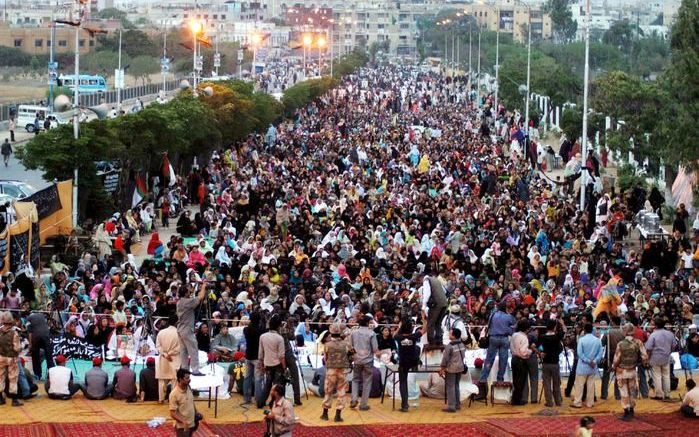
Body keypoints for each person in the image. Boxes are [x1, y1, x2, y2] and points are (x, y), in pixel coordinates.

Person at [477, 301, 516, 401]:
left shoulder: (493, 315)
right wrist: (509, 331)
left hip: (493, 338)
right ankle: (500, 379)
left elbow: (489, 325)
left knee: (489, 360)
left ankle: (483, 379)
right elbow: (515, 326)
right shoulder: (508, 317)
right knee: (503, 360)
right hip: (504, 338)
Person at [612, 322, 648, 421]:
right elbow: (645, 356)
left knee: (623, 392)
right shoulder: (638, 342)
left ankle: (626, 412)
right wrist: (642, 363)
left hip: (621, 371)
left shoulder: (621, 344)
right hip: (632, 370)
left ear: (625, 332)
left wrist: (613, 366)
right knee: (632, 391)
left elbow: (616, 359)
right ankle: (632, 409)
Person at [320, 323, 350, 422]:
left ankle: (325, 414)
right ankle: (338, 415)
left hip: (331, 370)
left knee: (328, 391)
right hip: (343, 369)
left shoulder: (327, 345)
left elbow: (325, 358)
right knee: (341, 391)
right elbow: (353, 354)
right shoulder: (346, 344)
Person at [394, 317, 425, 412]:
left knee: (403, 383)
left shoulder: (399, 338)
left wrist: (399, 327)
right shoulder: (414, 336)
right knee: (416, 349)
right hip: (412, 361)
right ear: (411, 328)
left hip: (403, 363)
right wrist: (424, 320)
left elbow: (394, 334)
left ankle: (404, 405)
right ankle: (416, 365)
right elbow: (424, 330)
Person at [177, 282, 207, 376]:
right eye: (188, 289)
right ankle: (195, 370)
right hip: (187, 329)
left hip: (180, 329)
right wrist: (203, 287)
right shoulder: (187, 302)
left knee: (184, 351)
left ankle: (184, 369)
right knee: (193, 350)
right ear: (186, 293)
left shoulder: (180, 301)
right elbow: (200, 297)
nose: (190, 290)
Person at [350, 315, 378, 411]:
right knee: (367, 381)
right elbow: (374, 349)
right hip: (368, 360)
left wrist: (354, 356)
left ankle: (354, 399)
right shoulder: (371, 333)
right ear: (367, 323)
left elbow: (350, 347)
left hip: (357, 359)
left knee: (355, 379)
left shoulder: (353, 333)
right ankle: (363, 404)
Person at [258, 314, 286, 409]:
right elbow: (281, 356)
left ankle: (260, 402)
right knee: (277, 386)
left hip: (267, 363)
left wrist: (261, 364)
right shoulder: (279, 338)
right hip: (277, 364)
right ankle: (273, 403)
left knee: (267, 384)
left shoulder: (263, 336)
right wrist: (284, 367)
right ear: (278, 326)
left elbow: (261, 353)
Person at [645, 317, 678, 400]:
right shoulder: (670, 333)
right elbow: (674, 346)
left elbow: (648, 348)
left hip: (655, 357)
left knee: (657, 376)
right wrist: (668, 352)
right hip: (666, 357)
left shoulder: (653, 335)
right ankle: (667, 394)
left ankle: (659, 394)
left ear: (655, 326)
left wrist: (647, 358)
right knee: (666, 376)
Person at [571, 323, 603, 409]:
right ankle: (590, 403)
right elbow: (600, 353)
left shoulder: (581, 340)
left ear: (584, 330)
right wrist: (594, 361)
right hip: (593, 366)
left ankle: (577, 402)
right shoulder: (597, 340)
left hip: (582, 366)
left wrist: (588, 361)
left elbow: (580, 353)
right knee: (591, 385)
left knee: (579, 385)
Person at [439, 327, 466, 413]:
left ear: (454, 336)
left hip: (451, 369)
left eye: (450, 333)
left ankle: (451, 406)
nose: (449, 334)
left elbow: (445, 359)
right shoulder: (462, 345)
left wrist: (442, 368)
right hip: (460, 368)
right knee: (456, 386)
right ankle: (457, 404)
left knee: (450, 387)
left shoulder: (450, 346)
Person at [538, 318, 564, 408]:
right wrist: (562, 323)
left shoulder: (543, 337)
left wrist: (540, 353)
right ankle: (558, 401)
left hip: (546, 362)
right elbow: (564, 330)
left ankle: (549, 402)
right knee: (556, 383)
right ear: (554, 327)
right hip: (555, 362)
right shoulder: (557, 336)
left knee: (546, 383)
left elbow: (536, 346)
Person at [156, 314, 181, 403]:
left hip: (164, 358)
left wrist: (165, 354)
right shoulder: (178, 333)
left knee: (162, 380)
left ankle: (161, 399)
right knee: (174, 381)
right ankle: (172, 400)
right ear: (177, 322)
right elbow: (179, 348)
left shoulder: (161, 332)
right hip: (174, 359)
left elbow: (158, 346)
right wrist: (169, 354)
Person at [0, 311, 22, 406]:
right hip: (11, 358)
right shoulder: (14, 333)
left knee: (0, 377)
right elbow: (17, 348)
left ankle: (0, 398)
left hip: (1, 357)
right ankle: (14, 400)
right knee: (13, 378)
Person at [601, 316, 624, 401]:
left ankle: (604, 395)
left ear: (613, 322)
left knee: (606, 376)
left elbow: (602, 344)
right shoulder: (623, 332)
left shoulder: (608, 332)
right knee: (618, 376)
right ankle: (617, 395)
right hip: (620, 356)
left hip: (609, 355)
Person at [169, 368, 198, 437]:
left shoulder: (188, 388)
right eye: (187, 378)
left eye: (189, 378)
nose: (189, 380)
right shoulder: (174, 394)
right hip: (182, 426)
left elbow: (191, 402)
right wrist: (183, 422)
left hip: (191, 423)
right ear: (180, 379)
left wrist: (196, 413)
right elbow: (172, 413)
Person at [422, 271, 448, 346]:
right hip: (444, 304)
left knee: (430, 323)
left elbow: (427, 294)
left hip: (436, 304)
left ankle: (431, 342)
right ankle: (439, 340)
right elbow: (444, 291)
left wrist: (423, 306)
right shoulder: (436, 280)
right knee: (438, 323)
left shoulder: (427, 280)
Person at [26, 311, 54, 380]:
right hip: (46, 336)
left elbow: (30, 333)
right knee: (49, 357)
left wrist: (30, 344)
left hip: (36, 337)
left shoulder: (29, 318)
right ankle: (52, 374)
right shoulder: (41, 315)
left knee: (35, 356)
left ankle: (37, 375)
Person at [510, 319, 532, 406]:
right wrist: (529, 351)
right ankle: (517, 400)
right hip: (521, 360)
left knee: (515, 380)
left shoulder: (514, 334)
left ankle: (515, 399)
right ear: (526, 329)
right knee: (520, 381)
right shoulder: (524, 337)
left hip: (514, 358)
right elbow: (523, 352)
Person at [244, 311, 264, 405]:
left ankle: (247, 398)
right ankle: (258, 399)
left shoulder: (246, 330)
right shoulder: (260, 331)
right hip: (257, 356)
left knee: (247, 377)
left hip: (248, 355)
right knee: (258, 379)